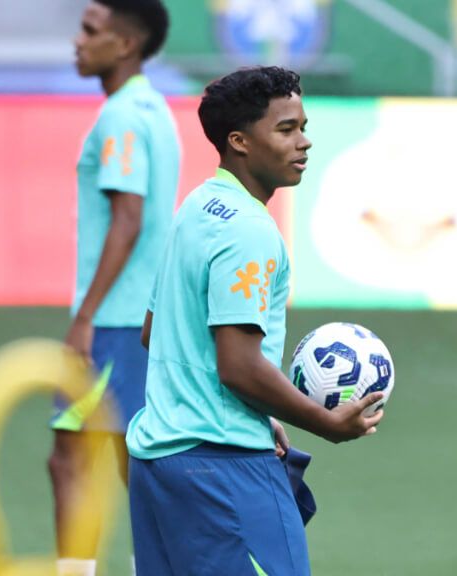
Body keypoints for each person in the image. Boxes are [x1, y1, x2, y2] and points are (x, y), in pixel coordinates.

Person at [125, 66, 384, 576]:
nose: (304, 142)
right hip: (222, 470)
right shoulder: (249, 230)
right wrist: (327, 423)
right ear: (239, 142)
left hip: (157, 466)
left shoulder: (197, 207)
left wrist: (261, 413)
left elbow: (154, 333)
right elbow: (239, 367)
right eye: (286, 129)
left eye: (303, 126)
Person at [47, 1, 178, 575]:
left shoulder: (122, 118)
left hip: (116, 320)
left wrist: (85, 316)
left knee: (71, 459)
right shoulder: (154, 109)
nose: (77, 41)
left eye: (90, 31)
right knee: (132, 459)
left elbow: (128, 217)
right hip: (143, 314)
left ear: (125, 44)